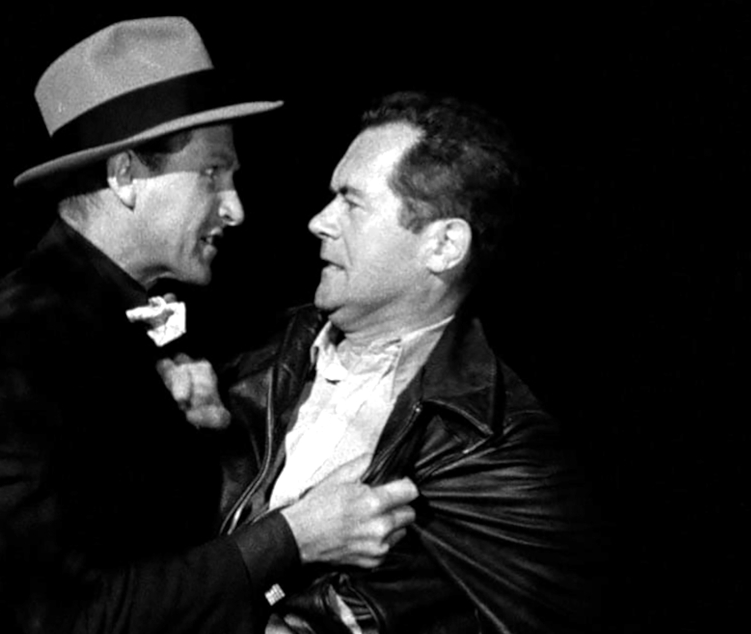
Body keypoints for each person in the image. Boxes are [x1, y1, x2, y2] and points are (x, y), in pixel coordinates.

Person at [0, 18, 420, 634]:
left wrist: (197, 439)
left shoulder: (103, 320)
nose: (236, 207)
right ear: (125, 177)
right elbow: (76, 618)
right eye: (212, 173)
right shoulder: (19, 348)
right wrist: (293, 537)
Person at [218, 92, 606, 633]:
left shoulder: (493, 447)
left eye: (352, 203)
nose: (318, 221)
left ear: (443, 245)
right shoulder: (251, 353)